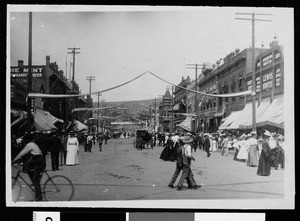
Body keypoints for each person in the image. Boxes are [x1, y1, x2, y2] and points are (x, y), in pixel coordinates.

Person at [12, 134, 46, 201]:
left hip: (38, 161)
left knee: (35, 179)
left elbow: (21, 154)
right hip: (39, 160)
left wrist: (13, 160)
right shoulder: (33, 144)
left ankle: (39, 196)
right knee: (29, 171)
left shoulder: (29, 145)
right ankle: (36, 187)